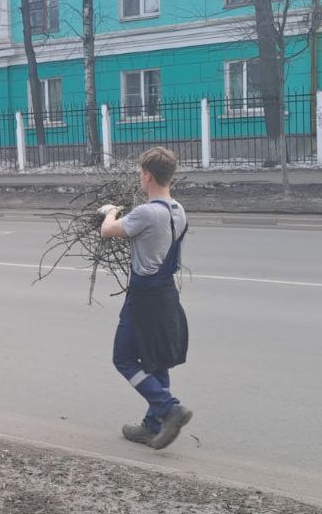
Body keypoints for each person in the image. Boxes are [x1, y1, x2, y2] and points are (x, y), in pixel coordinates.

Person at [98, 147, 193, 450]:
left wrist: (110, 211)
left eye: (141, 173)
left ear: (148, 176)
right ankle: (152, 426)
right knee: (156, 360)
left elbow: (107, 231)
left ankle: (168, 408)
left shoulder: (146, 213)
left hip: (144, 297)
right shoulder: (178, 210)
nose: (140, 178)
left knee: (123, 357)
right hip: (166, 294)